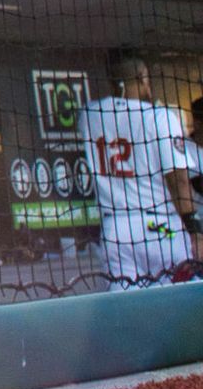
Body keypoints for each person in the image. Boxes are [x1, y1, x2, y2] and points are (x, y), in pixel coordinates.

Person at [82, 51, 201, 284]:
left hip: (116, 230)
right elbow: (178, 180)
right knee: (179, 304)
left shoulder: (89, 115)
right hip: (162, 229)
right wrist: (195, 230)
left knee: (126, 311)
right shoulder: (160, 117)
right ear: (141, 76)